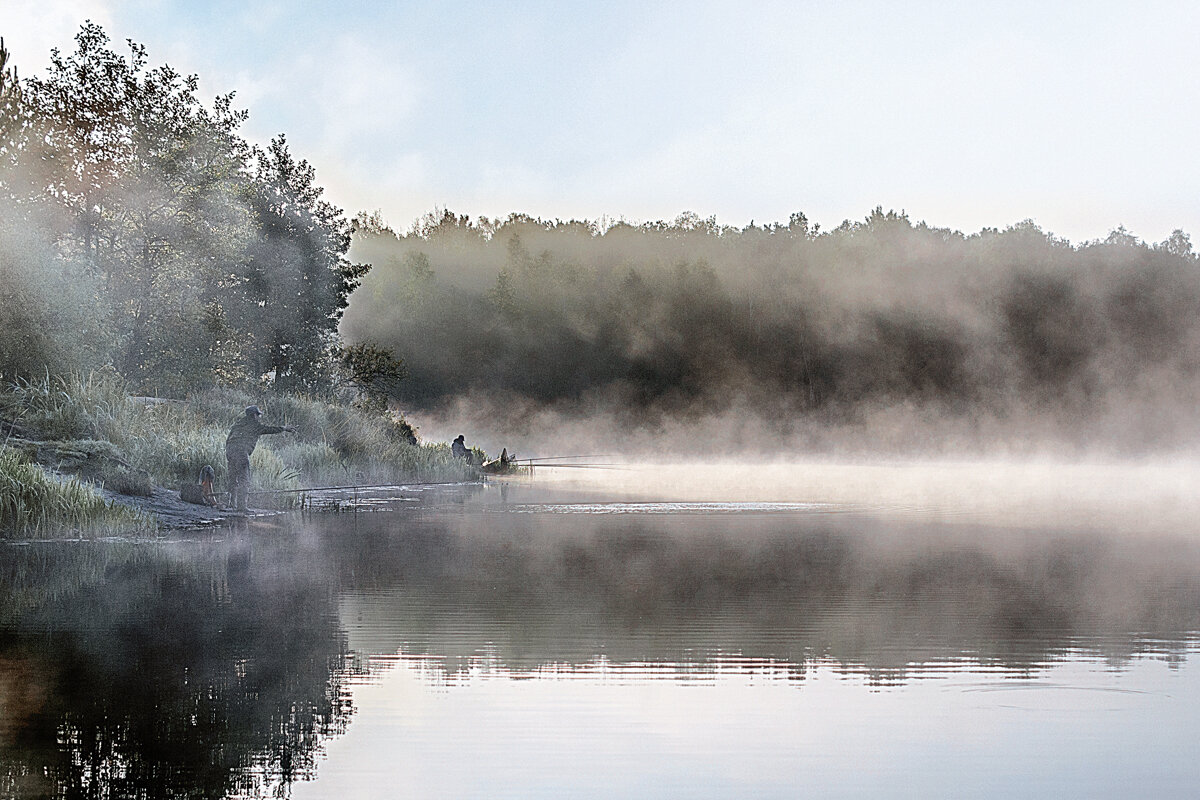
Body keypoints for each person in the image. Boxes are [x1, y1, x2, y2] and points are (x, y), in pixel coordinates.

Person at [225, 405, 295, 512]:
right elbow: (269, 429)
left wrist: (229, 452)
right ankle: (241, 507)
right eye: (258, 415)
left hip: (230, 451)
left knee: (233, 479)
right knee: (244, 479)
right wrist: (284, 428)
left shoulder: (238, 424)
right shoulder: (254, 425)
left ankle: (231, 504)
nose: (259, 417)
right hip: (241, 452)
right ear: (254, 415)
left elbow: (228, 439)